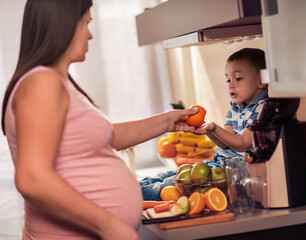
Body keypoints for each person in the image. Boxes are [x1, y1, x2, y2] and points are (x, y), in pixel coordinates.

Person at [1, 1, 199, 239]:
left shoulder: (55, 82)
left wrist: (168, 121)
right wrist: (110, 227)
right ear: (62, 25)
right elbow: (32, 179)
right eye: (86, 22)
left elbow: (107, 137)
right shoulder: (42, 83)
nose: (91, 34)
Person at [140, 48, 269, 200]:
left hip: (234, 172)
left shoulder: (264, 107)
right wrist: (208, 129)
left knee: (169, 185)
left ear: (261, 80)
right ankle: (131, 189)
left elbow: (242, 144)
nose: (230, 85)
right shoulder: (236, 105)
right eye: (228, 80)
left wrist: (213, 127)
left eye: (238, 78)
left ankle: (131, 196)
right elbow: (225, 144)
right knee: (168, 175)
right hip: (220, 162)